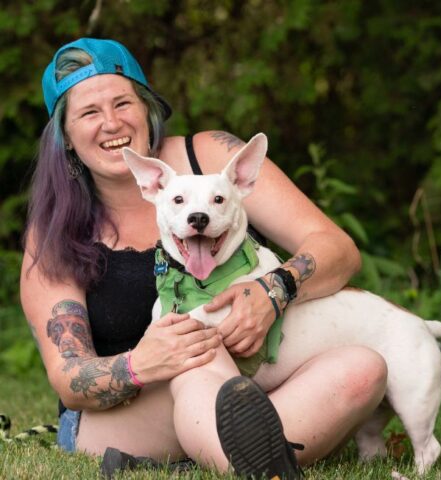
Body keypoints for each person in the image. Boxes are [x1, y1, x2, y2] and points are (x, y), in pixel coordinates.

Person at [20, 37, 387, 478]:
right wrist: (141, 363)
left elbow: (337, 250)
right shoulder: (56, 230)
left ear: (147, 108)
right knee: (197, 349)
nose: (111, 123)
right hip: (128, 410)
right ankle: (255, 461)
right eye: (89, 113)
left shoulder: (209, 158)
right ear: (65, 136)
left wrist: (273, 290)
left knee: (364, 369)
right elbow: (70, 378)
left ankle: (227, 454)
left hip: (251, 384)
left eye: (122, 103)